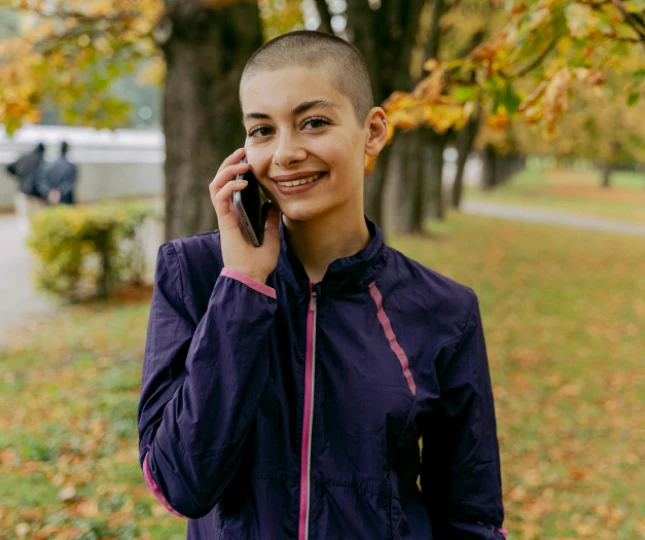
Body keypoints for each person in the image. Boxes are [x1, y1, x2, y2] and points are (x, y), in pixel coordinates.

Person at [137, 30, 507, 540]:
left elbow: (470, 515)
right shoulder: (195, 276)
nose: (285, 153)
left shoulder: (445, 311)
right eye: (262, 130)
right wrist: (243, 285)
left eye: (313, 123)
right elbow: (182, 484)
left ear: (373, 131)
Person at [6, 142, 48, 238]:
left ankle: (26, 239)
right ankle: (36, 238)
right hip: (37, 195)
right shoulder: (41, 160)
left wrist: (18, 175)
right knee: (38, 218)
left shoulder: (23, 158)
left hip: (22, 192)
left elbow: (8, 167)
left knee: (24, 218)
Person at [38, 141, 77, 205]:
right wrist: (59, 192)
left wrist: (49, 192)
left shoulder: (47, 165)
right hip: (65, 199)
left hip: (50, 198)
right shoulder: (71, 166)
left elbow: (41, 180)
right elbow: (70, 182)